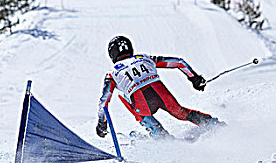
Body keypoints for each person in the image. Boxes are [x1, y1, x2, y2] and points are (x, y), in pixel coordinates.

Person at [96, 36, 224, 140]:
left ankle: (159, 134)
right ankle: (212, 124)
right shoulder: (144, 58)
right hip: (162, 94)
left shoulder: (112, 73)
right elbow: (179, 62)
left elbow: (104, 102)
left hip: (142, 103)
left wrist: (102, 123)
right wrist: (194, 78)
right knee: (180, 112)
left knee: (124, 96)